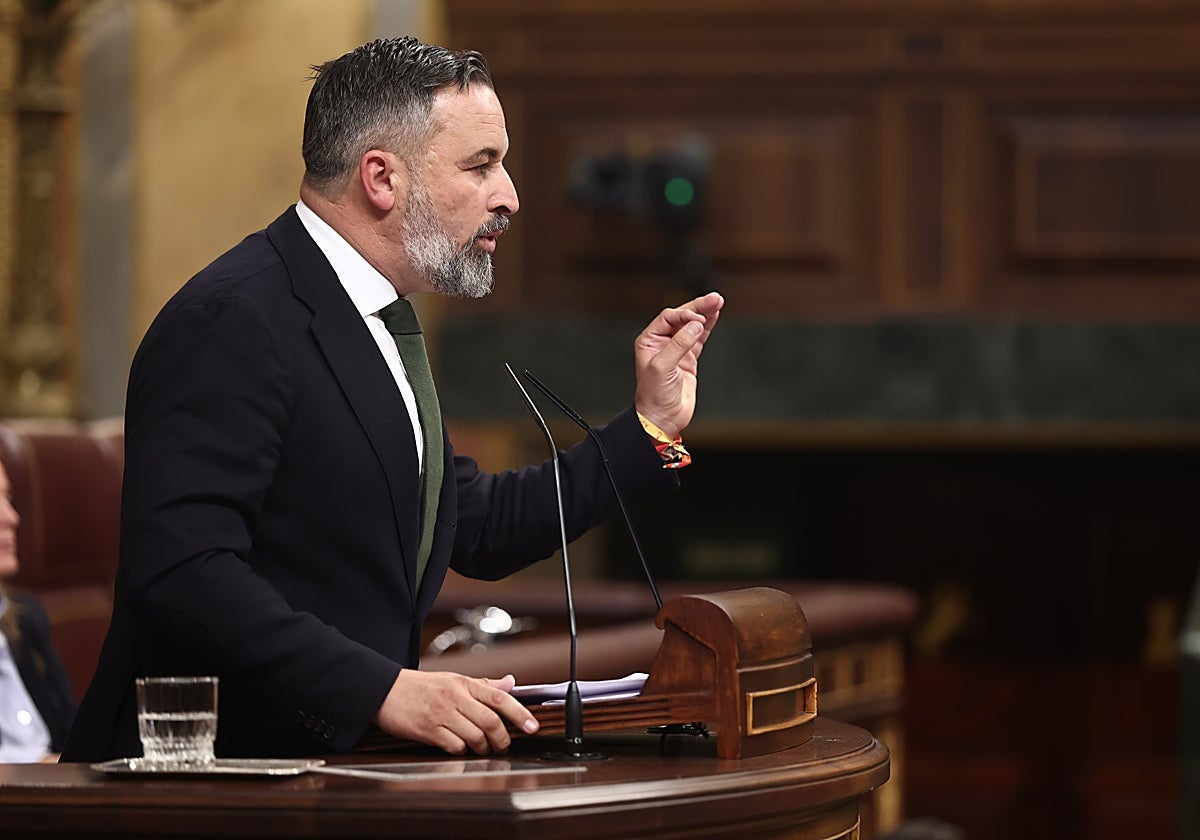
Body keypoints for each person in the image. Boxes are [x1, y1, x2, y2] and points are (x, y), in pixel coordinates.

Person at [61, 35, 723, 763]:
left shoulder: (375, 317)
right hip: (201, 779)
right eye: (481, 165)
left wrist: (651, 427)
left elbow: (477, 525)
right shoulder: (231, 319)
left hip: (333, 774)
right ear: (382, 178)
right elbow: (183, 572)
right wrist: (381, 689)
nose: (509, 196)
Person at [0, 457, 78, 762]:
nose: (12, 517)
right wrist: (36, 767)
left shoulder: (25, 618)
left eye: (7, 497)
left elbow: (73, 736)